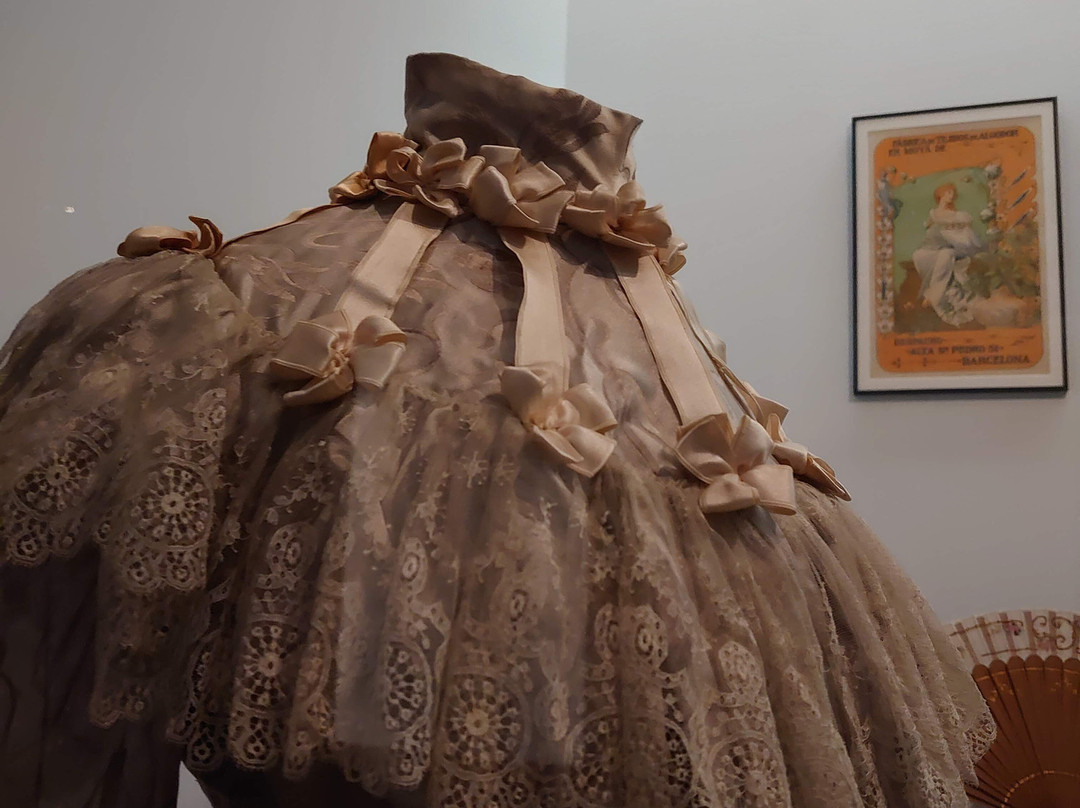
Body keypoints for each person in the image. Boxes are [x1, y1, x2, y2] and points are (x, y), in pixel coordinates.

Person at [911, 182, 984, 326]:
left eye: (952, 193)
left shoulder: (957, 216)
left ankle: (933, 295)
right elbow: (930, 236)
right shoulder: (933, 214)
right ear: (940, 195)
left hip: (954, 249)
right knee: (918, 255)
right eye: (947, 193)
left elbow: (965, 238)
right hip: (933, 248)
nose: (950, 196)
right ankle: (932, 292)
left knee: (946, 254)